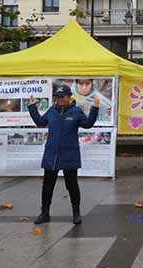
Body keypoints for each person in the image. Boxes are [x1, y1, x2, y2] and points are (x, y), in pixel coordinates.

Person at [28, 84, 99, 225]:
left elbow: (88, 124)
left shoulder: (76, 111)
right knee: (47, 185)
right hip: (51, 155)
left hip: (69, 154)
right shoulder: (52, 111)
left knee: (71, 185)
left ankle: (76, 213)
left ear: (69, 97)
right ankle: (45, 213)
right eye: (57, 97)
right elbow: (40, 122)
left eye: (62, 97)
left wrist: (95, 108)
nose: (59, 99)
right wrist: (32, 107)